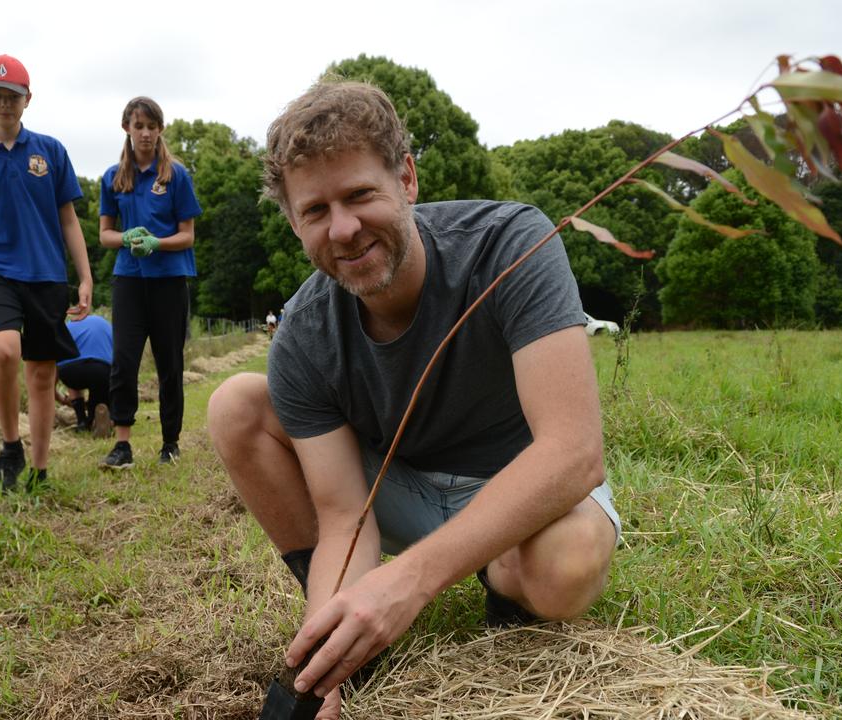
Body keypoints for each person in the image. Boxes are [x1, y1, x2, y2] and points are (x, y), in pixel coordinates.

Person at [206, 81, 620, 718]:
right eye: (315, 211)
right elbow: (345, 513)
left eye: (360, 195)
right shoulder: (303, 334)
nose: (343, 229)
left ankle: (507, 584)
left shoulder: (512, 244)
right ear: (294, 223)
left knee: (566, 566)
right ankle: (353, 632)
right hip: (399, 488)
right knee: (236, 404)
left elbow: (573, 453)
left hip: (522, 485)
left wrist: (410, 579)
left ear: (406, 178)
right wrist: (323, 670)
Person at [0, 53, 94, 493]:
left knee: (43, 374)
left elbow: (68, 219)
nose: (5, 103)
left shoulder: (50, 151)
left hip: (46, 272)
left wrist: (84, 276)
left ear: (28, 100)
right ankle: (11, 446)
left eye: (14, 96)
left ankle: (40, 470)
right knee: (4, 350)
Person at [96, 97, 202, 469]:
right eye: (138, 126)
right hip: (128, 279)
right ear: (126, 127)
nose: (145, 133)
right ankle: (122, 444)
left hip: (169, 280)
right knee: (123, 360)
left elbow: (187, 235)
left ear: (160, 130)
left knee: (169, 361)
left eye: (151, 126)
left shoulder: (176, 175)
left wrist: (158, 243)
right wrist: (125, 239)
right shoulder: (113, 177)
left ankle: (169, 442)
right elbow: (104, 234)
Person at [56, 314, 113, 437]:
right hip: (101, 368)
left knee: (74, 382)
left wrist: (61, 399)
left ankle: (82, 421)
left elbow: (51, 376)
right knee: (101, 388)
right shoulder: (105, 324)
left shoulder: (67, 326)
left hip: (70, 370)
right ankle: (98, 418)